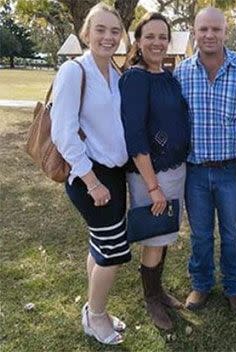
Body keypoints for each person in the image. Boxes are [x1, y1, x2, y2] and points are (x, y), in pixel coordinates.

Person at [50, 3, 129, 345]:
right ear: (86, 32)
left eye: (115, 31)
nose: (108, 37)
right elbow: (63, 132)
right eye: (101, 29)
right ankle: (95, 316)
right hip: (89, 177)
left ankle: (94, 309)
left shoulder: (116, 73)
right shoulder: (73, 71)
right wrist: (91, 181)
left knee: (100, 245)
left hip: (115, 175)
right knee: (113, 251)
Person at [173, 7, 236, 314]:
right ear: (195, 31)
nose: (209, 35)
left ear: (225, 32)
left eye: (215, 30)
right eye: (203, 29)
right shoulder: (182, 72)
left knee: (233, 234)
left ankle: (234, 288)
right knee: (201, 234)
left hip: (231, 170)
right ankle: (201, 285)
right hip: (195, 171)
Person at [119, 12, 190, 330]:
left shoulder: (168, 75)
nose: (157, 42)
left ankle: (158, 290)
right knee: (154, 235)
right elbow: (134, 135)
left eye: (163, 36)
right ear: (138, 41)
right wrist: (152, 187)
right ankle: (150, 298)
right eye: (150, 36)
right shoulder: (135, 78)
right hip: (152, 174)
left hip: (176, 170)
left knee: (164, 236)